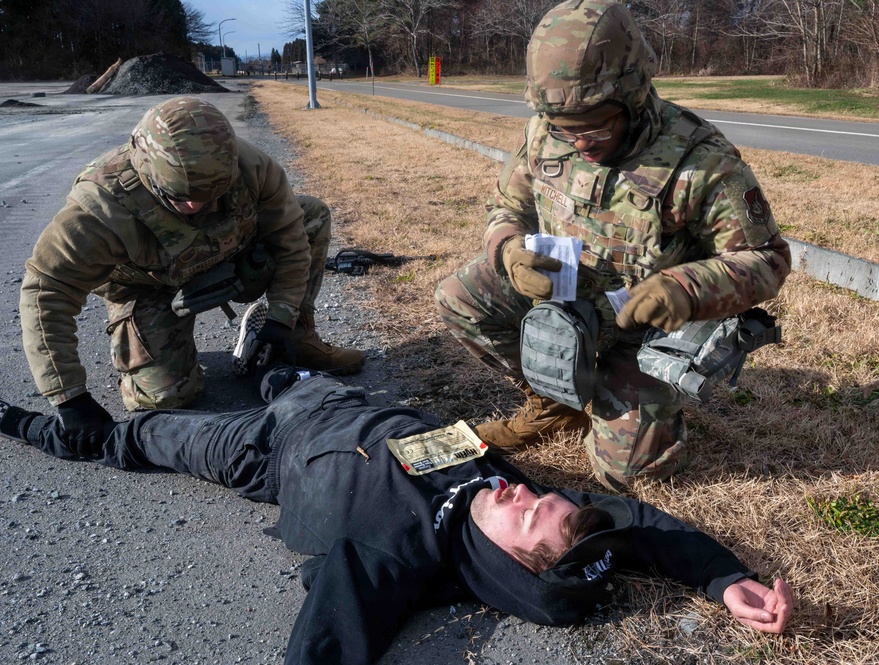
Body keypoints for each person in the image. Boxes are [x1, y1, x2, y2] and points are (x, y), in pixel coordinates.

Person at [0, 366, 794, 665]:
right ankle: (273, 354)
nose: (521, 491)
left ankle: (33, 427)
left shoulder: (402, 555)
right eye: (541, 495)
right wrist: (725, 578)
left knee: (143, 433)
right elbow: (640, 521)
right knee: (286, 369)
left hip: (266, 449)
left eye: (525, 513)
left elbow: (331, 635)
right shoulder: (509, 501)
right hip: (350, 401)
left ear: (510, 562)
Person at [435, 0, 792, 491]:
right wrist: (509, 251)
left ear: (635, 94)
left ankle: (617, 398)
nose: (580, 144)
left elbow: (769, 259)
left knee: (631, 473)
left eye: (597, 125)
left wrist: (686, 287)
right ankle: (556, 401)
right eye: (566, 129)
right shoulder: (544, 130)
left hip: (641, 328)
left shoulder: (702, 162)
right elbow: (507, 206)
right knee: (459, 296)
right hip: (563, 296)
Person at [19, 96, 366, 457]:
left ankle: (298, 334)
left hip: (229, 257)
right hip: (149, 285)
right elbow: (46, 293)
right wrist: (70, 398)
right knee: (166, 400)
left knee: (309, 213)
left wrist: (282, 317)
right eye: (180, 198)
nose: (195, 207)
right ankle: (143, 352)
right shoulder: (100, 209)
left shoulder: (254, 169)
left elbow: (291, 241)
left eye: (210, 195)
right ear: (146, 169)